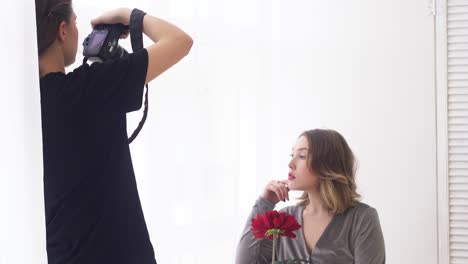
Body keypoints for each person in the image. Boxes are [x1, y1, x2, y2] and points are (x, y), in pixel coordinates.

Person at [35, 0, 192, 263]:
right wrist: (129, 15)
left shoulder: (22, 108)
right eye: (74, 23)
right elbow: (179, 41)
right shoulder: (89, 89)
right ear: (62, 30)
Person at [235, 129, 385, 263]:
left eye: (301, 156)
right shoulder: (284, 219)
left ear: (327, 164)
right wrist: (264, 203)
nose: (290, 164)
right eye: (292, 155)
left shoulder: (361, 219)